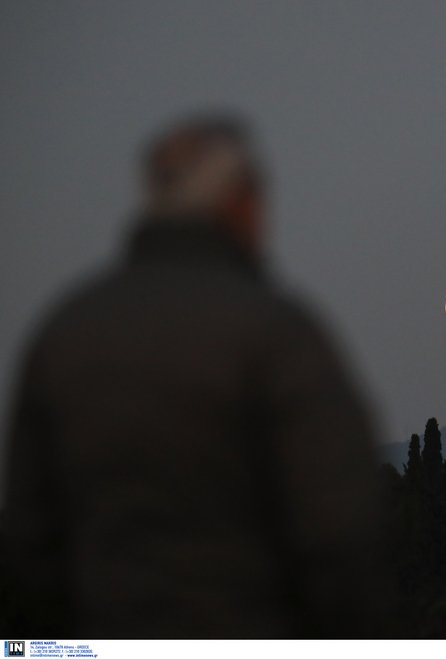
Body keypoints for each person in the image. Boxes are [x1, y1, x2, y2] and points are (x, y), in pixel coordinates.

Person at [3, 116, 384, 638]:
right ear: (239, 201)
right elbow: (340, 525)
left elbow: (29, 530)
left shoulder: (64, 333)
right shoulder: (276, 332)